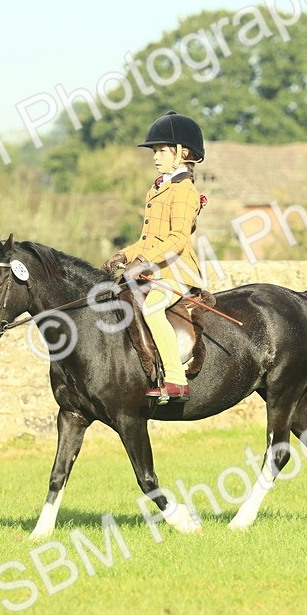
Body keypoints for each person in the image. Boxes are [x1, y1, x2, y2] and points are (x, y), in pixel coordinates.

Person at [101, 111, 206, 403]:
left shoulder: (184, 191)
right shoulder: (157, 189)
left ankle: (176, 379)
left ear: (182, 153)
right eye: (154, 151)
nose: (156, 156)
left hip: (177, 272)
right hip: (156, 270)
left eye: (161, 150)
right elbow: (148, 240)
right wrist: (124, 255)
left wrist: (143, 261)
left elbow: (177, 239)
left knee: (152, 309)